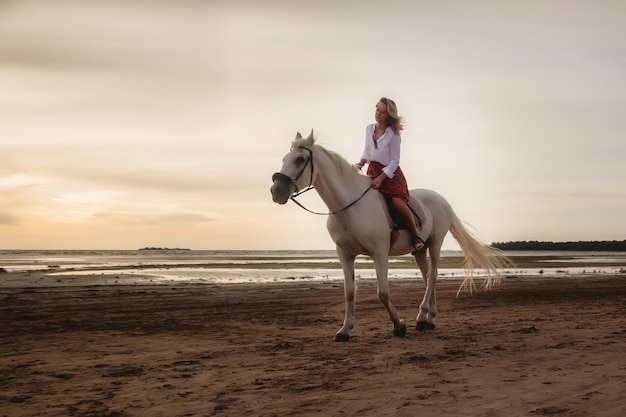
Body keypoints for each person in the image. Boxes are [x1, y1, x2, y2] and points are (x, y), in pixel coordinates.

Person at [355, 97, 425, 253]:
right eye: (377, 109)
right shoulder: (369, 129)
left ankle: (415, 237)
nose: (378, 113)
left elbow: (394, 161)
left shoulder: (394, 135)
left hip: (389, 175)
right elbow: (367, 151)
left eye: (383, 112)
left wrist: (381, 178)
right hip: (372, 171)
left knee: (397, 203)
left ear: (389, 115)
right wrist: (360, 164)